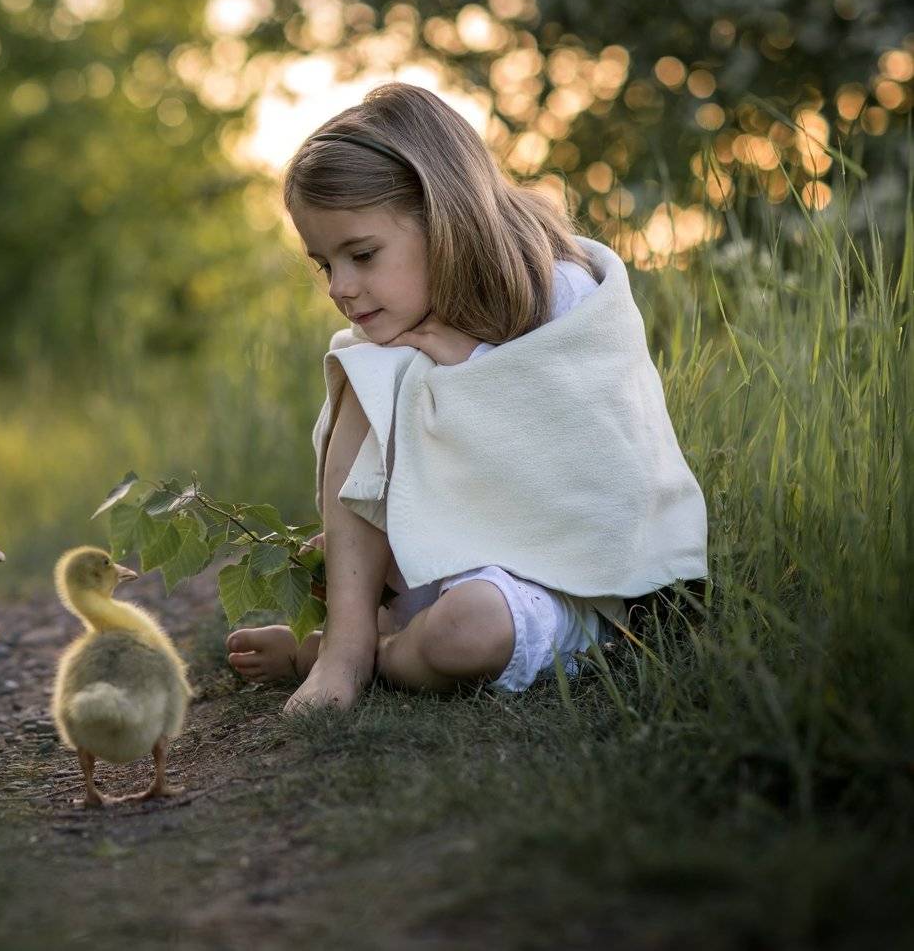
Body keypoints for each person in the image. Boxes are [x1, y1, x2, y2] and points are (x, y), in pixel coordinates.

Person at [225, 82, 706, 713]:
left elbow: (600, 453)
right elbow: (366, 477)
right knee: (365, 375)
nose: (341, 287)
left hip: (563, 582)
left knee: (470, 629)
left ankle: (365, 652)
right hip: (438, 571)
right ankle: (343, 649)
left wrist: (474, 367)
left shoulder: (560, 296)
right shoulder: (389, 341)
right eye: (325, 265)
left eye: (363, 254)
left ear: (441, 214)